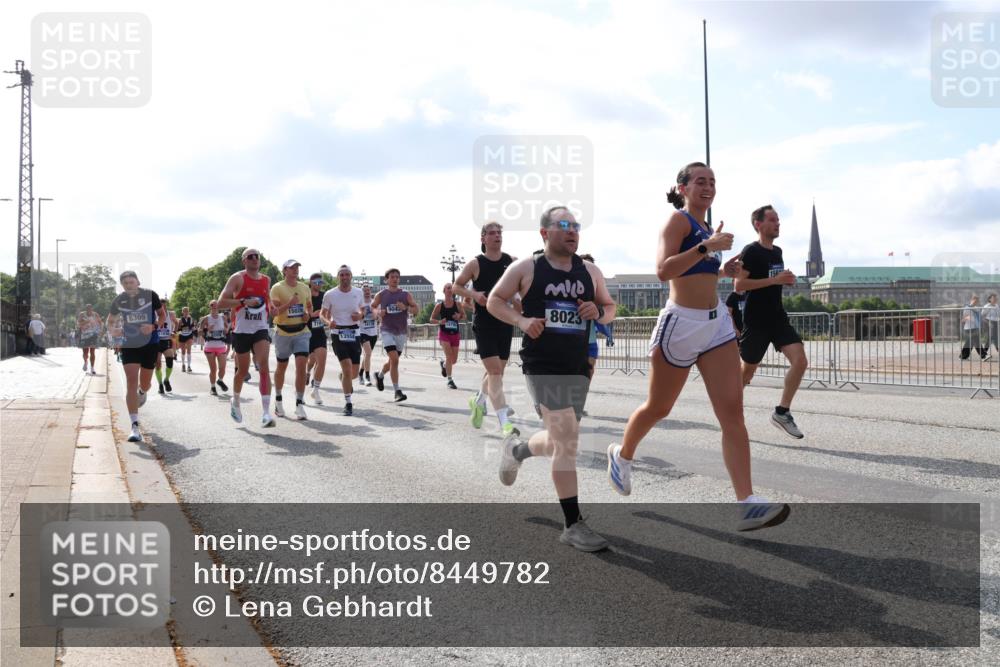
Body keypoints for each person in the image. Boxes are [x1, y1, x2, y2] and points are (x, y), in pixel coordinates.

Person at [605, 162, 790, 532]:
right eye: (700, 181)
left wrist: (725, 269)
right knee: (659, 407)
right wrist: (707, 247)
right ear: (683, 187)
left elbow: (699, 270)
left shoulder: (708, 227)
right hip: (681, 325)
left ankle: (748, 503)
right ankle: (622, 456)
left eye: (712, 182)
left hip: (716, 325)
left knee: (732, 414)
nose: (708, 187)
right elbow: (664, 270)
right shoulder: (679, 222)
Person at [489, 206, 617, 552]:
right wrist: (521, 321)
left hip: (577, 364)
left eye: (576, 225)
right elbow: (494, 301)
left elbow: (610, 306)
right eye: (564, 225)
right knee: (568, 440)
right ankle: (573, 524)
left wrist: (598, 312)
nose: (572, 230)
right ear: (544, 233)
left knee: (562, 438)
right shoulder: (526, 268)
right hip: (542, 363)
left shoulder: (590, 271)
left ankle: (517, 450)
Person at [735, 205, 809, 439]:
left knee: (800, 360)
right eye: (773, 220)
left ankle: (782, 412)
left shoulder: (777, 252)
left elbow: (772, 280)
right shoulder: (751, 251)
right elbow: (739, 286)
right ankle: (731, 414)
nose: (778, 223)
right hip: (756, 321)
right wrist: (773, 280)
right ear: (758, 224)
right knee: (746, 376)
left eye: (778, 220)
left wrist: (784, 280)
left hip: (777, 318)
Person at [453, 222, 519, 436]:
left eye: (499, 232)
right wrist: (475, 296)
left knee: (497, 372)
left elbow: (522, 287)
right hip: (484, 324)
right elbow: (456, 286)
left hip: (505, 322)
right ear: (483, 238)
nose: (497, 236)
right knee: (495, 372)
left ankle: (478, 399)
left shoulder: (512, 262)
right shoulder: (475, 263)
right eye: (492, 233)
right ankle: (504, 423)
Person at [218, 247, 276, 427]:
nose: (254, 259)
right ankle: (235, 401)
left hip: (260, 328)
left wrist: (272, 307)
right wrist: (243, 302)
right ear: (244, 260)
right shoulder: (237, 278)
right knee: (242, 371)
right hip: (241, 330)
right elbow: (221, 303)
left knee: (264, 366)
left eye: (257, 256)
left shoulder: (266, 280)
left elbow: (267, 301)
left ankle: (266, 413)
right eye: (250, 257)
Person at [107, 271, 165, 443]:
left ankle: (142, 391)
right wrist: (113, 330)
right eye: (125, 283)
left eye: (131, 282)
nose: (128, 285)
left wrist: (153, 326)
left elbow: (162, 316)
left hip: (150, 343)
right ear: (122, 285)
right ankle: (134, 426)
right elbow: (110, 320)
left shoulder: (150, 295)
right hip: (130, 343)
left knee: (145, 383)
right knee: (131, 381)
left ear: (138, 282)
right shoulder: (119, 300)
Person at [270, 260, 313, 420]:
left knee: (302, 365)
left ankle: (300, 404)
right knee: (282, 367)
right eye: (292, 268)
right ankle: (279, 399)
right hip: (283, 332)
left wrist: (307, 314)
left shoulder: (304, 287)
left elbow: (309, 307)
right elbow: (274, 313)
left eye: (297, 268)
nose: (295, 270)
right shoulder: (277, 287)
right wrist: (289, 304)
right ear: (285, 270)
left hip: (302, 331)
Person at [321, 265, 365, 416]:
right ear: (338, 277)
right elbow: (322, 313)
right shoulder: (330, 294)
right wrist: (328, 322)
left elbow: (363, 310)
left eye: (347, 274)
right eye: (342, 275)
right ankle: (348, 403)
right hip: (338, 332)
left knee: (353, 373)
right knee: (346, 368)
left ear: (351, 276)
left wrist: (360, 315)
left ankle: (344, 378)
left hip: (354, 332)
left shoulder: (358, 292)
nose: (345, 277)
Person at [370, 268, 419, 402]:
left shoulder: (405, 294)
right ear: (387, 279)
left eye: (397, 277)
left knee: (392, 361)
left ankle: (379, 376)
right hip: (387, 330)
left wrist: (406, 308)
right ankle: (397, 391)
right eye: (392, 277)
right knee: (395, 360)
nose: (395, 279)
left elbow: (417, 310)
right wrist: (378, 312)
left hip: (401, 332)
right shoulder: (381, 294)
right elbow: (373, 307)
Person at [431, 283, 465, 389]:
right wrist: (440, 321)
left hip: (455, 334)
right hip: (444, 334)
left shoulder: (458, 304)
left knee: (453, 360)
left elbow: (464, 316)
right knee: (449, 356)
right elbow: (431, 319)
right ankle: (450, 380)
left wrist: (459, 316)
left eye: (452, 288)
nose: (450, 290)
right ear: (444, 290)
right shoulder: (439, 305)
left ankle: (444, 365)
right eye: (448, 288)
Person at [305, 273, 329, 404]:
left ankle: (316, 390)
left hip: (319, 332)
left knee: (322, 360)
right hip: (306, 332)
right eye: (316, 282)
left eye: (321, 282)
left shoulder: (324, 296)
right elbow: (301, 312)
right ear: (311, 282)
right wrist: (311, 314)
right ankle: (307, 372)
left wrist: (326, 317)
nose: (319, 285)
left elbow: (328, 311)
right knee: (311, 360)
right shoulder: (305, 294)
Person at [199, 300, 230, 395]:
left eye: (216, 305)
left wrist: (225, 330)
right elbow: (199, 331)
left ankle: (220, 380)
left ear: (218, 307)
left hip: (221, 345)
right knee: (213, 369)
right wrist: (206, 329)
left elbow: (227, 328)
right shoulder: (206, 319)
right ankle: (213, 387)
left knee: (223, 368)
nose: (214, 307)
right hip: (210, 346)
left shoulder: (222, 317)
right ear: (210, 307)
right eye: (212, 306)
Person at [153, 299, 178, 394]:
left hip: (167, 340)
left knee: (170, 362)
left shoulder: (170, 314)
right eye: (161, 306)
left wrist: (174, 331)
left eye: (164, 305)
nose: (162, 307)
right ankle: (160, 385)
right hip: (156, 341)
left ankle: (166, 380)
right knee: (158, 364)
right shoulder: (154, 314)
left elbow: (176, 322)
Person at [358, 283, 379, 386]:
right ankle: (367, 377)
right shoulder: (359, 303)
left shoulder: (374, 303)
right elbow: (358, 317)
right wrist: (363, 314)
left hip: (373, 332)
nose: (366, 292)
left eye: (368, 290)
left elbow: (376, 317)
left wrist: (374, 313)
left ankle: (360, 373)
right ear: (361, 292)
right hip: (363, 332)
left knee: (367, 355)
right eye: (364, 291)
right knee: (368, 353)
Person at [960, 294, 987, 361]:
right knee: (977, 341)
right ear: (971, 300)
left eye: (977, 301)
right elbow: (962, 319)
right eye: (975, 300)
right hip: (968, 328)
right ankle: (983, 356)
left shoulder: (976, 309)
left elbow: (979, 317)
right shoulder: (967, 308)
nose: (976, 302)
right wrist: (967, 318)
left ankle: (963, 356)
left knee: (970, 343)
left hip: (975, 327)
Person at [77, 305, 102, 374]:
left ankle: (92, 368)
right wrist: (87, 321)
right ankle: (85, 362)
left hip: (93, 335)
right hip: (84, 335)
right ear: (86, 309)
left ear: (92, 309)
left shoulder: (95, 314)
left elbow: (100, 323)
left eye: (90, 309)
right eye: (88, 309)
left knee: (92, 352)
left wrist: (100, 331)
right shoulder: (82, 314)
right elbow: (78, 324)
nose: (89, 310)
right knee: (85, 353)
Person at [177, 306, 196, 372]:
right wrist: (181, 329)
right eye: (184, 311)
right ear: (182, 312)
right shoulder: (180, 320)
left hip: (189, 335)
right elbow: (178, 329)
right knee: (183, 351)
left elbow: (193, 327)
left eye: (187, 311)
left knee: (189, 349)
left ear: (188, 312)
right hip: (182, 335)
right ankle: (183, 364)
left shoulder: (191, 319)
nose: (186, 312)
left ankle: (189, 366)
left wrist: (194, 329)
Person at [983, 293, 999, 360]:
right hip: (989, 321)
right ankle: (984, 353)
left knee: (995, 338)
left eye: (995, 298)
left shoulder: (996, 305)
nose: (995, 299)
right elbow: (983, 314)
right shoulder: (987, 306)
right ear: (990, 299)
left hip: (996, 322)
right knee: (991, 337)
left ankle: (984, 353)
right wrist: (987, 322)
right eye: (993, 298)